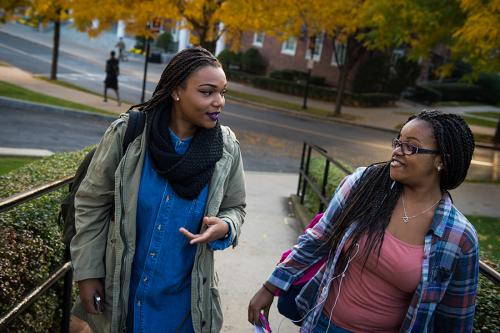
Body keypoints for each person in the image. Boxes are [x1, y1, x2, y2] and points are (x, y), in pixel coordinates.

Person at [249, 110, 479, 333]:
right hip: (321, 324)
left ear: (441, 160)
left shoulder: (459, 237)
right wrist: (270, 286)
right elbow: (318, 238)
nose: (397, 151)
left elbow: (455, 320)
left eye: (410, 146)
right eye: (397, 142)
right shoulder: (363, 185)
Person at [71, 47, 246, 333]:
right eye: (207, 92)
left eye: (223, 92)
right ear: (177, 91)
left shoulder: (226, 149)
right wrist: (88, 273)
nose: (219, 102)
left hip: (186, 309)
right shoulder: (129, 134)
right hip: (124, 299)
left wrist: (226, 226)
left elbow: (236, 207)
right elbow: (92, 203)